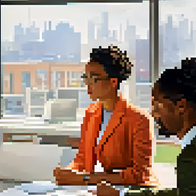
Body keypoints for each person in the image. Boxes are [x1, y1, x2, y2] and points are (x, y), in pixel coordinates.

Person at [95, 58, 196, 196]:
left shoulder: (192, 157)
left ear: (181, 107)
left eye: (157, 104)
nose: (153, 112)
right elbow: (187, 194)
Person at [53, 46, 155, 186]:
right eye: (86, 78)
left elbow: (139, 175)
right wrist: (69, 172)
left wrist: (85, 179)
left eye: (94, 79)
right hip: (95, 191)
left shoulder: (139, 119)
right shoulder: (91, 113)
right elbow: (83, 159)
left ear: (113, 82)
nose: (88, 85)